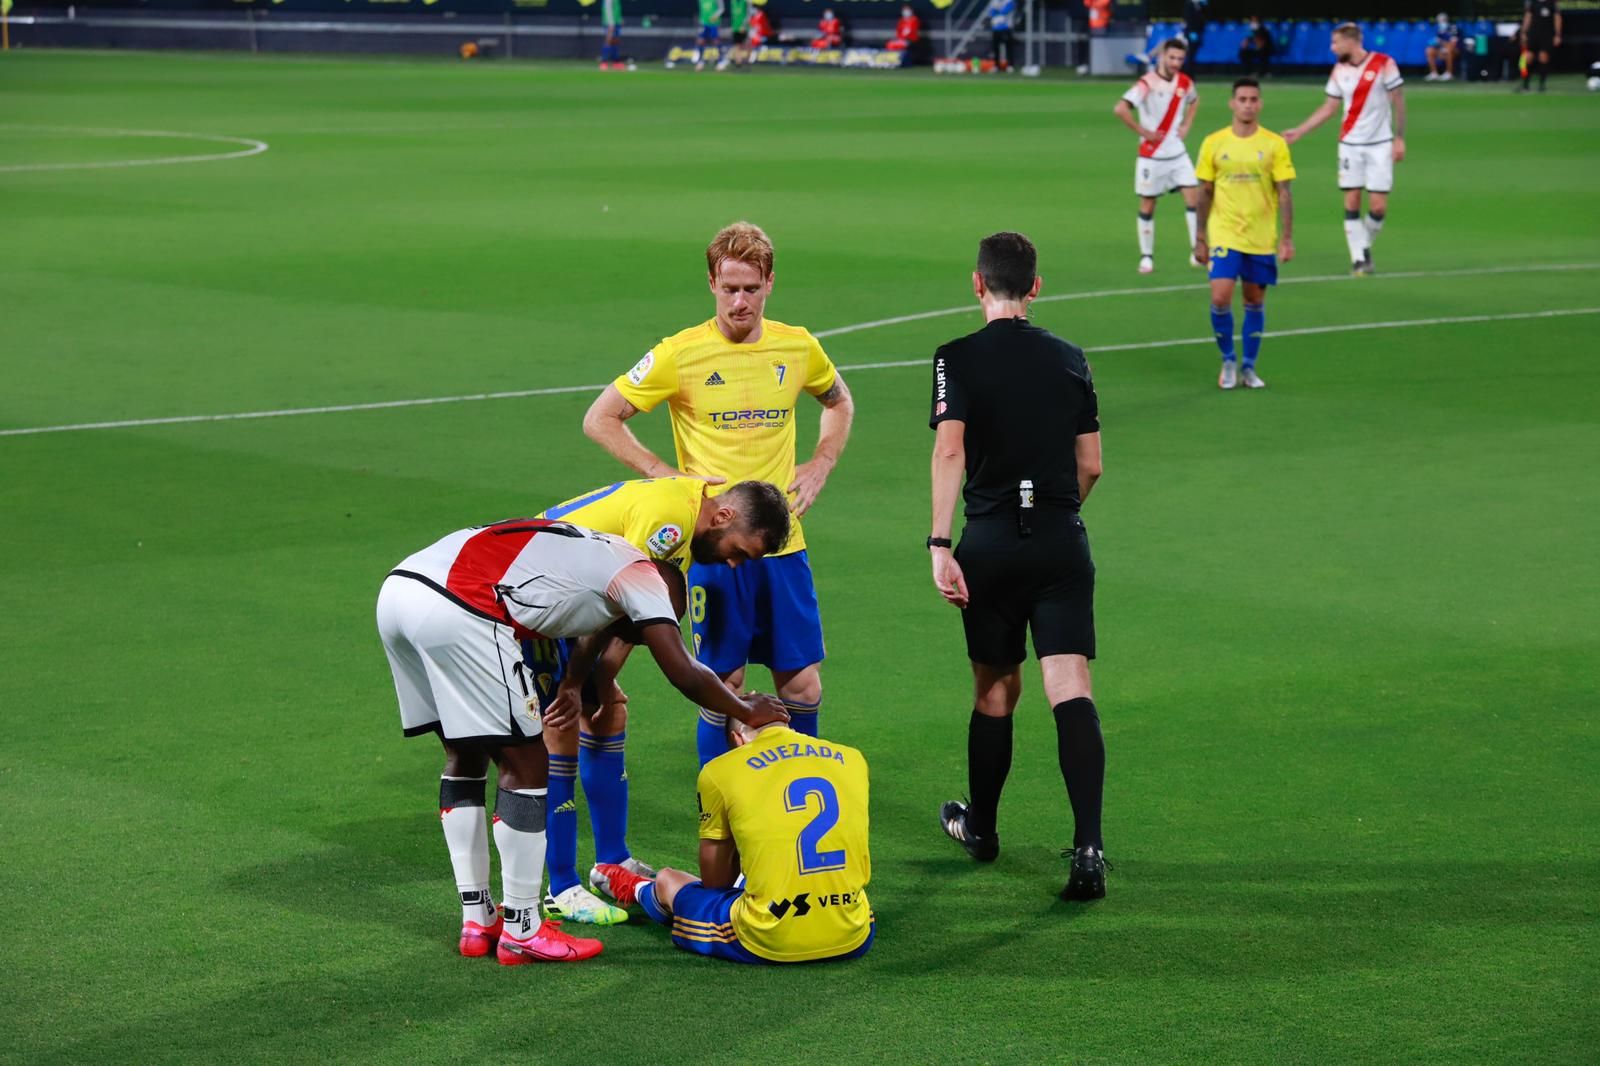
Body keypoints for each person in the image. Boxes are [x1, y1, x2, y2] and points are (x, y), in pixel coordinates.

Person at [375, 515, 790, 964]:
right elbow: (682, 669)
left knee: (466, 755)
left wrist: (573, 684)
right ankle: (522, 928)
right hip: (464, 602)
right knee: (529, 763)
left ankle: (478, 921)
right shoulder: (646, 577)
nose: (646, 638)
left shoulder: (602, 559)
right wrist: (747, 710)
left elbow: (596, 628)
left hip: (400, 591)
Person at [582, 222, 854, 768]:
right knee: (722, 686)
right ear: (711, 283)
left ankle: (789, 807)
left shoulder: (797, 347)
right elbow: (601, 417)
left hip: (783, 547)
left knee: (801, 686)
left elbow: (839, 402)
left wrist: (822, 460)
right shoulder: (680, 355)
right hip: (713, 551)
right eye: (729, 288)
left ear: (769, 283)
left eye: (751, 288)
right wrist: (662, 472)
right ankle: (719, 822)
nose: (740, 302)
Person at [928, 232, 1109, 902]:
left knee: (996, 691)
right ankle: (1088, 848)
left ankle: (983, 830)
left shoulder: (957, 358)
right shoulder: (1069, 357)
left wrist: (939, 543)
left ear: (979, 284)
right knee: (1070, 685)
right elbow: (1091, 463)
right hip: (1061, 538)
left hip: (991, 544)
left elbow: (951, 452)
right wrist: (1059, 518)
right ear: (1035, 286)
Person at [530, 478, 794, 925]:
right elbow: (616, 597)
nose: (732, 565)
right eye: (737, 552)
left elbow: (632, 613)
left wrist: (599, 681)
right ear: (724, 516)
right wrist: (574, 682)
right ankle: (561, 887)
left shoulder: (688, 526)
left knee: (607, 710)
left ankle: (611, 861)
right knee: (561, 726)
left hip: (572, 597)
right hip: (537, 592)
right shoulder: (668, 519)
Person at [591, 715, 873, 964]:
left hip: (766, 938)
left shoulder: (723, 769)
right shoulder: (852, 757)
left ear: (738, 738)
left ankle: (640, 888)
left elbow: (717, 884)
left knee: (670, 879)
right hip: (854, 929)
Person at [1193, 77, 1295, 390]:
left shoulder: (1274, 144)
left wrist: (1286, 238)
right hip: (1224, 233)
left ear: (1260, 103)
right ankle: (1228, 359)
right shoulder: (1214, 142)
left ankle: (1249, 366)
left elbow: (1285, 193)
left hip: (1261, 236)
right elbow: (1205, 192)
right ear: (1232, 103)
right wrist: (1200, 236)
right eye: (1243, 99)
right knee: (1220, 296)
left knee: (1253, 300)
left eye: (1253, 99)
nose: (1248, 104)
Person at [1283, 22, 1405, 277]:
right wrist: (1300, 131)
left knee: (1378, 208)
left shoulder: (1384, 63)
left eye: (1335, 42)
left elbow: (1398, 100)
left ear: (1351, 42)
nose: (1332, 47)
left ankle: (1362, 246)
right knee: (1351, 200)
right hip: (1349, 144)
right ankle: (1359, 260)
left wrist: (1399, 137)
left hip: (1380, 144)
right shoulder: (1338, 70)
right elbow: (1329, 107)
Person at [1114, 36, 1201, 275]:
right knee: (1148, 204)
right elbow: (1120, 108)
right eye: (1172, 57)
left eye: (1180, 59)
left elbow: (1194, 101)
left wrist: (1187, 126)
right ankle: (1146, 257)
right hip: (1151, 156)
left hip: (1177, 154)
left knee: (1194, 198)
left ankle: (1197, 251)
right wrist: (1143, 132)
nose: (1176, 63)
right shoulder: (1147, 83)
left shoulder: (1185, 82)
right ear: (1162, 56)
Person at [1520, 0, 1562, 93]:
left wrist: (1557, 35)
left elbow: (1557, 18)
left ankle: (1542, 85)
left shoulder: (1552, 3)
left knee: (1543, 58)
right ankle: (1525, 85)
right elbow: (1528, 17)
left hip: (1547, 35)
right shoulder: (1533, 3)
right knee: (1526, 59)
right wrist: (1523, 32)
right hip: (1533, 34)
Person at [1426, 13, 1461, 81]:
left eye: (1443, 20)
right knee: (1429, 50)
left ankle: (1449, 73)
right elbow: (1435, 42)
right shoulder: (1438, 29)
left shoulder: (1453, 27)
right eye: (1439, 20)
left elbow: (1453, 43)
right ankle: (1434, 73)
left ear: (1446, 20)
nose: (1441, 22)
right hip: (1441, 49)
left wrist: (1442, 43)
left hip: (1454, 50)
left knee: (1448, 49)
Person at [693, 0, 724, 71]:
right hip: (704, 23)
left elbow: (721, 9)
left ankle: (721, 62)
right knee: (700, 41)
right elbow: (701, 10)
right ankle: (700, 62)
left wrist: (715, 16)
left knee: (716, 41)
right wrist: (700, 20)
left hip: (714, 23)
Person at [988, 0, 1016, 71]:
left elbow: (1005, 11)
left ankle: (1010, 65)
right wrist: (997, 12)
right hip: (995, 28)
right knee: (995, 49)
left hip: (1006, 28)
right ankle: (996, 66)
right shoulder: (994, 1)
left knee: (1009, 48)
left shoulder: (1009, 1)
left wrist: (997, 11)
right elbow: (991, 12)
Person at [597, 0, 624, 70]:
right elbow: (607, 8)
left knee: (615, 42)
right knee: (609, 41)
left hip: (616, 22)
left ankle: (616, 62)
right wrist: (611, 23)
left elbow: (616, 9)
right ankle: (603, 62)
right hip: (610, 23)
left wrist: (619, 19)